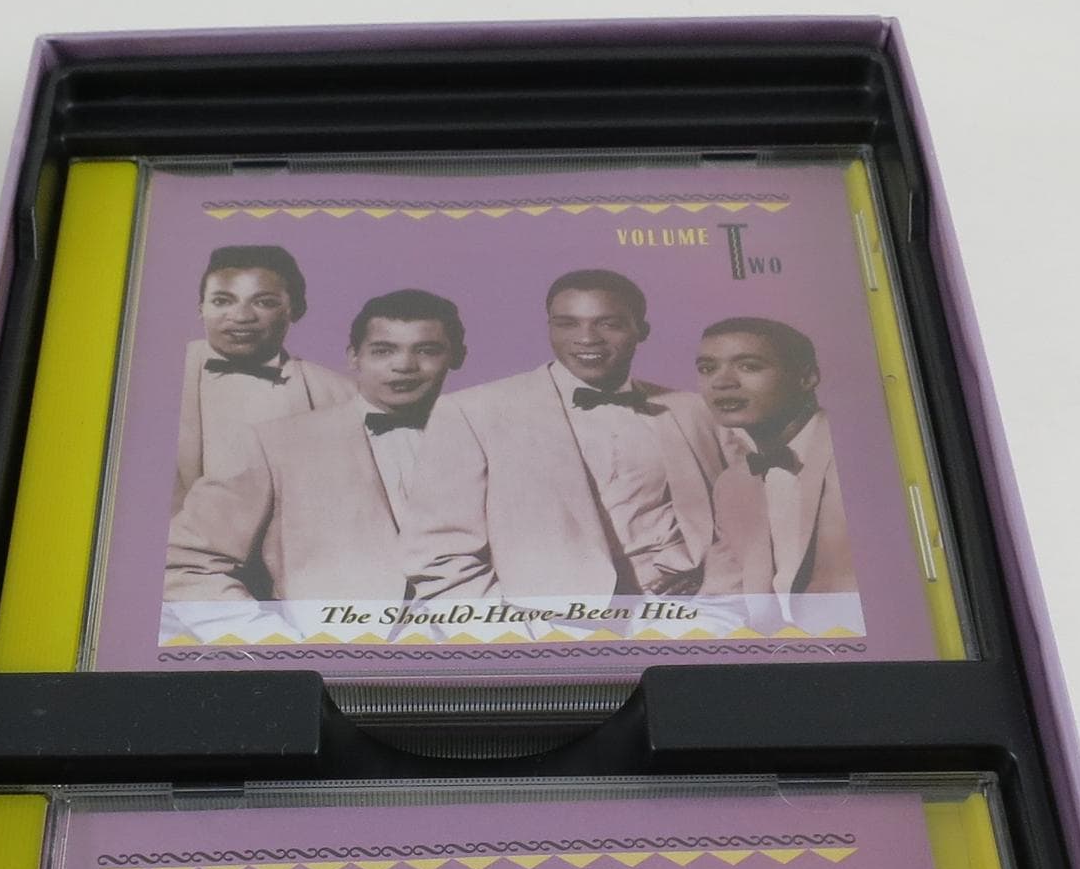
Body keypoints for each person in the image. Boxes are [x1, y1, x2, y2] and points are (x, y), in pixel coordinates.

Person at [402, 268, 732, 603]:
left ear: (641, 330)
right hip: (544, 623)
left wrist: (713, 582)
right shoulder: (471, 412)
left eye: (609, 324)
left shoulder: (694, 410)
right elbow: (438, 554)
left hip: (684, 612)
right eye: (567, 324)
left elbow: (741, 516)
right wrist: (509, 626)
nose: (587, 338)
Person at [165, 289, 467, 605]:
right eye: (382, 350)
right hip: (326, 634)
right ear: (353, 356)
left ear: (458, 356)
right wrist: (265, 633)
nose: (404, 365)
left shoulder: (482, 438)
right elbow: (185, 563)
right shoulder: (274, 444)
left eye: (427, 351)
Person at [171, 243, 357, 509]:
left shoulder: (341, 395)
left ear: (296, 310)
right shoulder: (163, 378)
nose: (241, 317)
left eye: (264, 302)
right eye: (222, 301)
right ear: (201, 308)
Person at [696, 317, 853, 596]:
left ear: (807, 378)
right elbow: (722, 598)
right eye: (707, 369)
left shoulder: (857, 455)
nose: (721, 382)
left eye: (749, 366)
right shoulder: (731, 485)